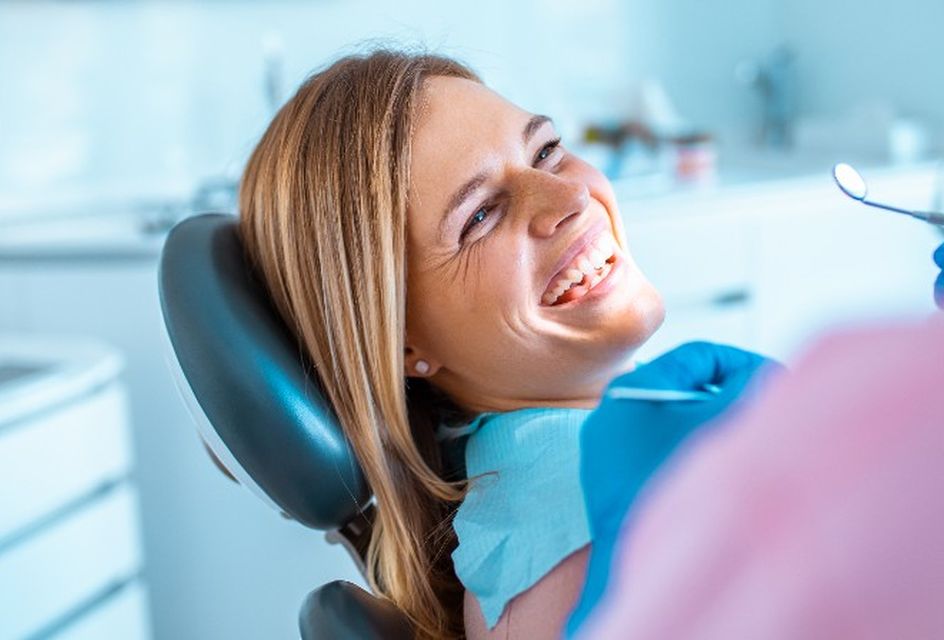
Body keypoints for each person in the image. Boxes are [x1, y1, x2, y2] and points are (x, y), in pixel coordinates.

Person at [236, 47, 943, 639]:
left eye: (546, 149)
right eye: (480, 216)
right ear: (402, 341)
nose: (566, 199)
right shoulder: (577, 525)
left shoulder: (521, 502)